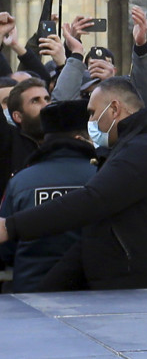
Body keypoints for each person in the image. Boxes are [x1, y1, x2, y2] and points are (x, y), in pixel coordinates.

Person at [0, 76, 147, 290]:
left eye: (92, 112)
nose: (89, 122)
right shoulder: (131, 147)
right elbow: (98, 229)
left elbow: (93, 200)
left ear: (114, 108)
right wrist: (44, 294)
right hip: (127, 286)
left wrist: (11, 226)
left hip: (143, 290)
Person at [0, 100, 96, 292]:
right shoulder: (103, 176)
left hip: (31, 291)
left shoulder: (21, 181)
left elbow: (5, 247)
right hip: (90, 291)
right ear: (82, 137)